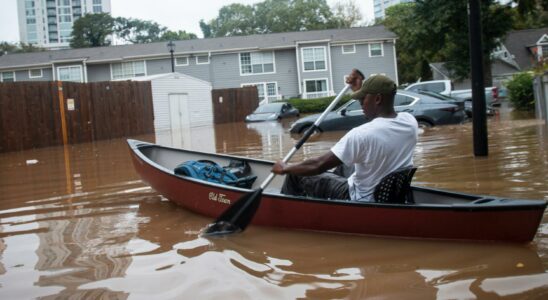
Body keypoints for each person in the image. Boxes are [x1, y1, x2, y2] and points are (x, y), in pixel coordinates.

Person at [271, 72, 418, 202]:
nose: (361, 104)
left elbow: (318, 165)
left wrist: (285, 168)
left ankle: (288, 207)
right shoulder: (409, 122)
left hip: (358, 196)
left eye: (363, 99)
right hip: (388, 192)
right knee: (343, 162)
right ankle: (324, 194)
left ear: (378, 99)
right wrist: (360, 90)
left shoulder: (361, 134)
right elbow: (379, 125)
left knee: (296, 173)